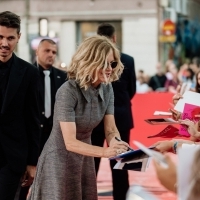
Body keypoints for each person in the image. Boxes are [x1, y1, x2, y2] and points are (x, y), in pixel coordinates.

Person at [28, 35, 130, 200]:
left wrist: (118, 145)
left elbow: (110, 129)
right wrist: (105, 152)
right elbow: (70, 142)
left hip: (84, 158)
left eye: (112, 63)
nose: (110, 68)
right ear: (90, 61)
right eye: (104, 63)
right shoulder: (68, 91)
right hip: (58, 159)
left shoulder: (107, 88)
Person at [91, 23, 136, 200]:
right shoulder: (128, 59)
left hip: (95, 117)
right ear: (114, 38)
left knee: (91, 163)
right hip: (121, 116)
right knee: (120, 164)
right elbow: (131, 90)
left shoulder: (92, 61)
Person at [18, 38, 66, 200]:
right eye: (47, 51)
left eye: (54, 52)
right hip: (31, 134)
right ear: (37, 51)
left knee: (54, 178)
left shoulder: (63, 77)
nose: (51, 55)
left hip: (54, 135)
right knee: (26, 178)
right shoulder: (25, 74)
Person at [0, 11, 40, 199]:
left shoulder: (29, 73)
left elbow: (33, 120)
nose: (4, 44)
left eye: (10, 38)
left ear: (19, 37)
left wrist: (32, 162)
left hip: (12, 158)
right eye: (0, 37)